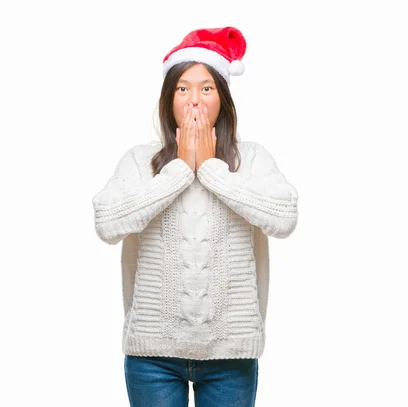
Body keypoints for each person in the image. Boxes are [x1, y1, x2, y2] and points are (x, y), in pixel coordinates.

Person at [92, 26, 299, 407]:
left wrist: (211, 169)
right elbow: (107, 222)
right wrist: (181, 169)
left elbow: (284, 217)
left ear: (223, 98)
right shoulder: (142, 160)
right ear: (168, 98)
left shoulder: (249, 159)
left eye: (207, 88)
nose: (194, 100)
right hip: (152, 354)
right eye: (182, 88)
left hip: (231, 354)